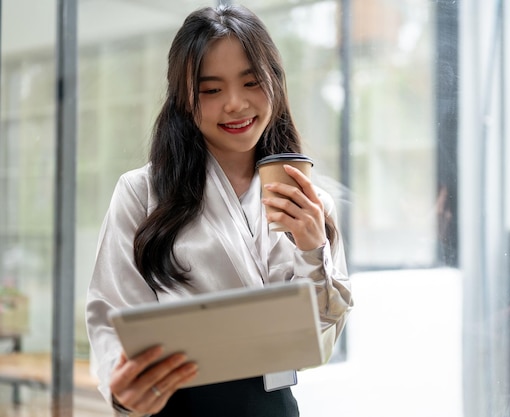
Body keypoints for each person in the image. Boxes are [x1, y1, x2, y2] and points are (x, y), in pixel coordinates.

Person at [85, 4, 353, 417]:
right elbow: (111, 315)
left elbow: (319, 339)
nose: (235, 104)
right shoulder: (142, 192)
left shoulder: (312, 204)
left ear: (275, 84)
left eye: (251, 82)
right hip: (176, 405)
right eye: (211, 90)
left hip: (273, 405)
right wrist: (124, 391)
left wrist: (312, 248)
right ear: (183, 100)